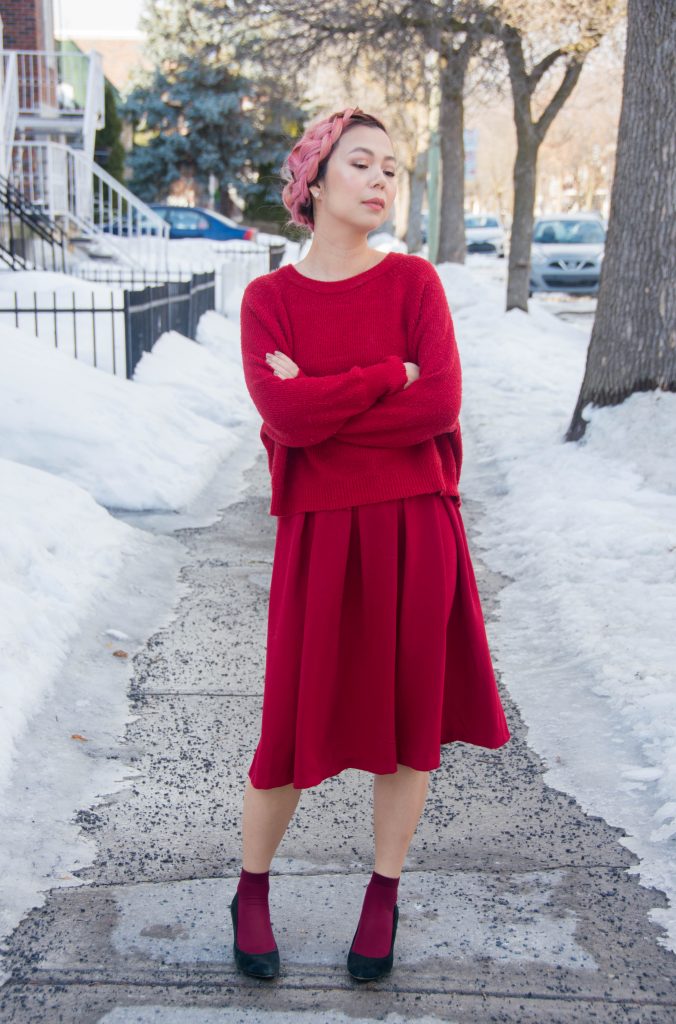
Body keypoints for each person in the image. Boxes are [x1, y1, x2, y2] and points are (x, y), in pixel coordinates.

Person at [231, 106, 510, 983]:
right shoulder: (268, 301)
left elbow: (439, 410)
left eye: (393, 166)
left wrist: (325, 403)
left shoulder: (416, 286)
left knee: (403, 729)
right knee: (289, 729)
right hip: (318, 541)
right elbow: (286, 416)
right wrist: (387, 376)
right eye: (361, 162)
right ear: (313, 181)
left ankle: (382, 897)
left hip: (415, 532)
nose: (383, 178)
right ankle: (250, 889)